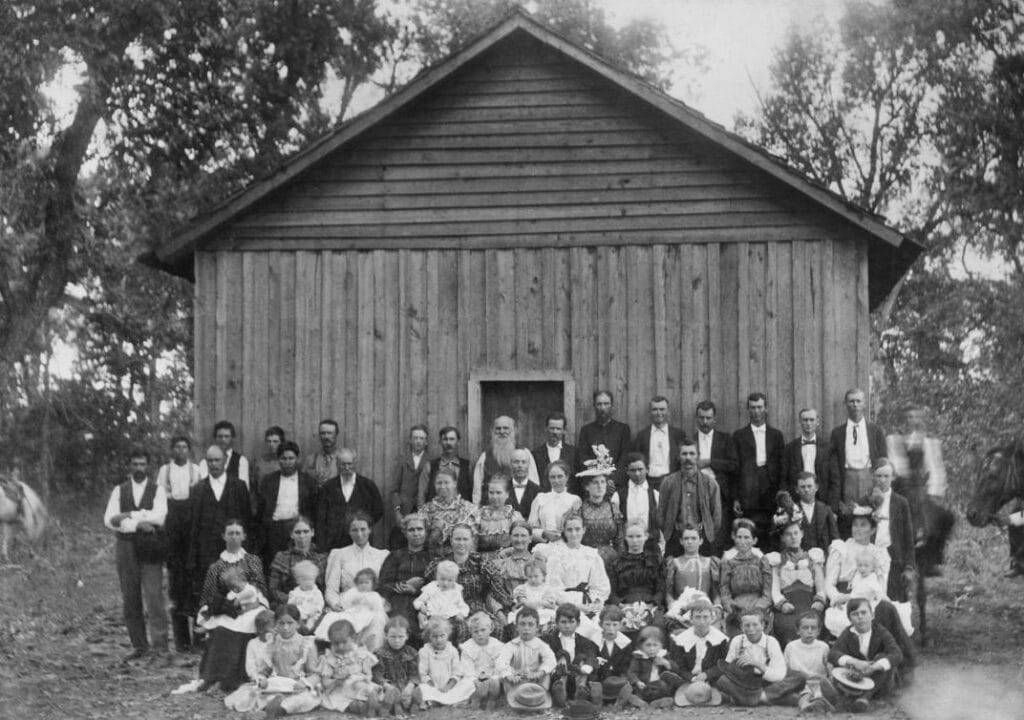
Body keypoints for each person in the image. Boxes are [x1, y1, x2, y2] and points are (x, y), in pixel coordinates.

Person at [824, 508, 917, 674]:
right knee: (886, 610)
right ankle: (900, 661)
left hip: (871, 598)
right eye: (855, 525)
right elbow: (829, 584)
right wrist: (837, 597)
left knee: (887, 609)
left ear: (873, 529)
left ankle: (891, 664)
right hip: (846, 600)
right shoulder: (841, 548)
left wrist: (877, 600)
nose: (857, 529)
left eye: (863, 525)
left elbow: (880, 587)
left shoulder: (879, 553)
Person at [104, 447, 170, 661]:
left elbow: (159, 517)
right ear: (129, 466)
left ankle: (160, 646)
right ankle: (139, 645)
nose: (139, 468)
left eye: (143, 464)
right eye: (135, 464)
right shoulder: (119, 490)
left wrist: (129, 516)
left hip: (150, 546)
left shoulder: (157, 489)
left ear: (148, 466)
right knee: (130, 597)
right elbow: (110, 520)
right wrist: (139, 523)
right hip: (126, 547)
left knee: (154, 596)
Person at [192, 519, 268, 693]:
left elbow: (260, 587)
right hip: (226, 606)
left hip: (252, 604)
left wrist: (251, 602)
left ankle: (239, 677)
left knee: (249, 622)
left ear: (244, 536)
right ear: (223, 537)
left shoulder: (252, 560)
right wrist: (222, 606)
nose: (234, 537)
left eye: (237, 533)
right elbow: (208, 594)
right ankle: (213, 676)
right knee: (222, 626)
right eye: (230, 533)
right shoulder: (216, 566)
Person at [223, 604, 319, 717]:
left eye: (290, 623)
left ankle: (279, 708)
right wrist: (262, 679)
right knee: (249, 694)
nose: (285, 627)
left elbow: (315, 674)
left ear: (298, 623)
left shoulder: (306, 644)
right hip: (276, 684)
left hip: (296, 687)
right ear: (276, 624)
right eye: (281, 623)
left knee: (305, 699)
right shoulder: (272, 642)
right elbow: (266, 669)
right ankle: (274, 704)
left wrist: (304, 683)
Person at [189, 445, 253, 610]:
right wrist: (194, 557)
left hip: (233, 550)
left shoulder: (238, 486)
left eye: (217, 460)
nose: (213, 464)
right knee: (208, 598)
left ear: (225, 461)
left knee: (235, 595)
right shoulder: (198, 489)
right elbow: (194, 526)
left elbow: (247, 520)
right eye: (210, 460)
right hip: (206, 553)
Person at [425, 524, 509, 641]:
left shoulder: (482, 563)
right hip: (448, 609)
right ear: (451, 541)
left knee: (495, 627)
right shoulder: (439, 564)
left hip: (477, 608)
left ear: (472, 541)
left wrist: (510, 605)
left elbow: (498, 589)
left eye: (465, 539)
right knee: (461, 629)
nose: (461, 543)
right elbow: (428, 589)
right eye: (457, 539)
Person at [156, 435, 200, 653]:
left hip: (191, 524)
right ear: (172, 450)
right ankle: (182, 641)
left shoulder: (197, 469)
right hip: (173, 524)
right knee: (176, 582)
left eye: (184, 447)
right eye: (177, 447)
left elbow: (199, 496)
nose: (181, 451)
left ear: (189, 450)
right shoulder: (165, 470)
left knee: (194, 581)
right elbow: (160, 497)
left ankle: (199, 639)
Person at [714, 607, 804, 706]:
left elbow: (779, 674)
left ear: (763, 625)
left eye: (755, 625)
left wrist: (758, 665)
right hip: (745, 682)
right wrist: (736, 668)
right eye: (747, 625)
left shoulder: (771, 642)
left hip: (768, 681)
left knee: (799, 676)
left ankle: (759, 697)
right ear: (742, 627)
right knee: (722, 680)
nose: (751, 629)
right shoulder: (737, 641)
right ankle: (771, 698)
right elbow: (729, 670)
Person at [541, 514, 611, 640]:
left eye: (577, 529)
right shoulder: (556, 556)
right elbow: (553, 587)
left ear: (584, 530)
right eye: (569, 530)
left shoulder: (591, 554)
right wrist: (576, 606)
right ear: (564, 531)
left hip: (588, 601)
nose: (574, 534)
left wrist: (595, 602)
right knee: (581, 626)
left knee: (603, 626)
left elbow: (600, 584)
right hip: (564, 603)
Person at [732, 393, 785, 548]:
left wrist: (781, 493)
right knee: (750, 527)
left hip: (770, 487)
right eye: (753, 408)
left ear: (766, 409)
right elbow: (735, 468)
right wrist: (736, 497)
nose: (756, 411)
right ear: (748, 410)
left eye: (759, 407)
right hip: (748, 488)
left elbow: (782, 466)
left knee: (772, 528)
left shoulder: (776, 435)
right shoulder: (739, 435)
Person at [830, 389, 886, 535]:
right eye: (851, 401)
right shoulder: (837, 433)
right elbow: (834, 466)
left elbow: (883, 461)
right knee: (848, 520)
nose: (855, 405)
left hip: (868, 478)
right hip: (848, 479)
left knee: (869, 520)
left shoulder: (875, 430)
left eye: (858, 401)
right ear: (846, 405)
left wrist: (879, 489)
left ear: (864, 404)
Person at [827, 598, 903, 707]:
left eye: (863, 612)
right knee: (838, 664)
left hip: (879, 679)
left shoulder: (881, 632)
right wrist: (854, 662)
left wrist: (875, 666)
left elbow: (897, 654)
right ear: (849, 619)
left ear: (872, 615)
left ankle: (864, 697)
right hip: (857, 676)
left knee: (882, 657)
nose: (860, 617)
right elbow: (833, 653)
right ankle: (839, 696)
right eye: (855, 614)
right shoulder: (848, 633)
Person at [256, 441, 317, 576]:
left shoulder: (308, 481)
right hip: (275, 530)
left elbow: (313, 510)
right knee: (274, 568)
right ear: (278, 460)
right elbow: (261, 509)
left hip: (298, 529)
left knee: (298, 567)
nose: (287, 462)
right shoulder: (268, 480)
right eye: (284, 459)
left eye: (291, 458)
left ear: (297, 459)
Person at [765, 521, 826, 646]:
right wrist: (782, 604)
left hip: (809, 603)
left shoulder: (812, 558)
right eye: (788, 534)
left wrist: (819, 601)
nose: (793, 537)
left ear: (802, 534)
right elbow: (775, 590)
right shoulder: (777, 561)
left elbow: (821, 587)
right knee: (785, 625)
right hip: (788, 605)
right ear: (782, 538)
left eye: (796, 533)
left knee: (814, 622)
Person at [659, 440, 722, 556]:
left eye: (692, 453)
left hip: (702, 541)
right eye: (684, 454)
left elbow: (716, 517)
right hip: (675, 539)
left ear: (698, 456)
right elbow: (661, 513)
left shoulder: (710, 483)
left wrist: (706, 533)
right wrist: (671, 531)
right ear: (678, 457)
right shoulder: (668, 483)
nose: (688, 457)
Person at [866, 460, 917, 603]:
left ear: (893, 477)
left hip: (894, 558)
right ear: (872, 476)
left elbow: (908, 537)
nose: (882, 480)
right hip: (869, 558)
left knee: (894, 603)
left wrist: (909, 566)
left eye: (886, 476)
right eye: (879, 476)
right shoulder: (866, 500)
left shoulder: (901, 503)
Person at [315, 448, 384, 551]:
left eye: (349, 464)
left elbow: (378, 510)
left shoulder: (368, 486)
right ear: (337, 464)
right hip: (335, 542)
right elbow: (321, 516)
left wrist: (362, 525)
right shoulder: (328, 487)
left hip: (361, 540)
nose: (346, 468)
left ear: (355, 463)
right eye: (343, 464)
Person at [693, 400, 738, 552]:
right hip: (696, 493)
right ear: (696, 418)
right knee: (698, 534)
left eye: (708, 418)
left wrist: (710, 462)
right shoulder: (689, 440)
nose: (705, 422)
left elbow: (733, 465)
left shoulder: (725, 439)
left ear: (714, 419)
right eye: (701, 418)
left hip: (720, 494)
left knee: (719, 535)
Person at [378, 514, 431, 642]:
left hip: (426, 602)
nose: (416, 533)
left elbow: (437, 584)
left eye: (419, 529)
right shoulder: (395, 556)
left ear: (426, 531)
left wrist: (415, 591)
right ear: (405, 533)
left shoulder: (432, 558)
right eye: (411, 530)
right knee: (400, 624)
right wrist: (405, 584)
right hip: (398, 601)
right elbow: (383, 584)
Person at [314, 619, 383, 715]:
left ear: (353, 638)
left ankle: (378, 705)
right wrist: (337, 679)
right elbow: (325, 682)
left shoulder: (360, 654)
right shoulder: (330, 659)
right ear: (331, 642)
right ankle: (362, 707)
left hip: (359, 685)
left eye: (344, 642)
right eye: (336, 643)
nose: (341, 646)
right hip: (340, 688)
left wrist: (364, 677)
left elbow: (368, 673)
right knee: (345, 702)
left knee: (369, 690)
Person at [324, 512, 389, 609]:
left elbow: (386, 587)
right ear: (349, 532)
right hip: (346, 605)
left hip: (373, 606)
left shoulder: (382, 555)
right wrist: (336, 604)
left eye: (363, 529)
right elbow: (331, 589)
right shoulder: (339, 554)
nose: (359, 534)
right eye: (354, 530)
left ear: (370, 530)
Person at [719, 519, 772, 637]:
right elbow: (724, 591)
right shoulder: (728, 563)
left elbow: (767, 591)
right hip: (737, 607)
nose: (742, 541)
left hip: (759, 605)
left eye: (746, 537)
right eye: (739, 537)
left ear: (754, 540)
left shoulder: (762, 562)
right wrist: (732, 606)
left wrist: (759, 606)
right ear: (734, 538)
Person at [668, 597, 728, 700]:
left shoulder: (721, 640)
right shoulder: (680, 640)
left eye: (705, 617)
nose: (702, 621)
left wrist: (707, 674)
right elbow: (679, 667)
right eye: (697, 617)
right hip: (688, 678)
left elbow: (724, 664)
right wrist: (692, 678)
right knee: (670, 678)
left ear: (712, 618)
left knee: (725, 680)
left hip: (712, 679)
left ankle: (716, 693)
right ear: (691, 619)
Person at [608, 523, 665, 629]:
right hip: (625, 604)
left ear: (646, 537)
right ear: (625, 537)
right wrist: (623, 606)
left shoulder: (655, 561)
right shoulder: (617, 563)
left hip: (650, 604)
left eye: (638, 536)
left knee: (658, 624)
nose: (634, 541)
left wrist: (650, 606)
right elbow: (612, 592)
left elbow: (660, 589)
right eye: (631, 537)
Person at [472, 415, 540, 504]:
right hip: (491, 511)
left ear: (513, 431)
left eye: (506, 428)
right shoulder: (485, 456)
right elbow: (477, 490)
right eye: (498, 428)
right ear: (493, 432)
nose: (502, 431)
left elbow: (534, 483)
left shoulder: (524, 453)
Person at [317, 567, 388, 651]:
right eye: (361, 583)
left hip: (367, 613)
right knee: (333, 616)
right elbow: (345, 603)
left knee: (372, 621)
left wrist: (367, 602)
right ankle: (330, 640)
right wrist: (350, 603)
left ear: (373, 584)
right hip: (353, 612)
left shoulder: (374, 595)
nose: (363, 585)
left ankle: (363, 644)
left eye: (367, 583)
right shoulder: (353, 592)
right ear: (357, 583)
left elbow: (377, 607)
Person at [543, 603, 599, 707]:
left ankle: (581, 690)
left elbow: (591, 656)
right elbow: (546, 657)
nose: (567, 626)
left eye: (571, 622)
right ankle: (560, 690)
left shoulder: (584, 641)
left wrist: (586, 666)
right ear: (557, 623)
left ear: (578, 623)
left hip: (577, 675)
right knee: (562, 655)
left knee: (582, 657)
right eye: (563, 622)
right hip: (559, 675)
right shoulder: (551, 640)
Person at [781, 409, 839, 507]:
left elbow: (835, 481)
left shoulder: (828, 448)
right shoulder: (790, 448)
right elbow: (783, 480)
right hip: (797, 500)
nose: (808, 423)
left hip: (822, 499)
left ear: (817, 422)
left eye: (812, 420)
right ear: (800, 422)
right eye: (805, 420)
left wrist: (832, 508)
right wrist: (789, 505)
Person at [266, 516, 325, 608]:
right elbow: (273, 589)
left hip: (316, 604)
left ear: (312, 532)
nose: (302, 536)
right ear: (291, 534)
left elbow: (325, 588)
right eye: (297, 532)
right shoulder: (282, 557)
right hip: (289, 605)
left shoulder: (321, 559)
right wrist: (293, 600)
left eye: (306, 531)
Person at [632, 396, 687, 491]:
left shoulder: (679, 435)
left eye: (662, 409)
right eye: (655, 409)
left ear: (668, 411)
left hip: (672, 483)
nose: (659, 413)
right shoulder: (642, 435)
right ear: (650, 412)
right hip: (648, 484)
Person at [497, 606, 558, 693]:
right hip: (516, 680)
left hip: (534, 679)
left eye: (530, 624)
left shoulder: (541, 645)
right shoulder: (510, 645)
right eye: (522, 624)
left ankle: (541, 695)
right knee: (505, 678)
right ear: (516, 627)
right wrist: (509, 675)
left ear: (537, 627)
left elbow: (551, 660)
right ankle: (514, 697)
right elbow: (501, 662)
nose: (526, 628)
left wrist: (540, 672)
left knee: (546, 675)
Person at [390, 424, 431, 549]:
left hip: (423, 510)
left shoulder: (431, 460)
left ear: (426, 442)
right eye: (415, 438)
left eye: (421, 438)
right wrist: (397, 512)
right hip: (405, 511)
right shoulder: (403, 461)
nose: (418, 441)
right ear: (410, 440)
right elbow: (394, 490)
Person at [419, 470, 479, 556]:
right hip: (434, 559)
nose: (442, 486)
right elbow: (420, 541)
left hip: (463, 559)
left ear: (454, 484)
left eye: (446, 482)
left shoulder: (468, 508)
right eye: (439, 483)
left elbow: (474, 541)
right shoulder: (426, 510)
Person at [418, 617, 476, 706]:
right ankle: (440, 700)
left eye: (442, 636)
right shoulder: (425, 651)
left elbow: (456, 672)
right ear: (429, 637)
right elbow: (422, 673)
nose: (439, 640)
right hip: (432, 687)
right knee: (421, 688)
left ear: (447, 635)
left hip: (450, 687)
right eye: (435, 636)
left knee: (469, 683)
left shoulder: (452, 651)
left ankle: (439, 701)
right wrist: (433, 686)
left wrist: (448, 687)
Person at [576, 390, 632, 482]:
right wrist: (597, 477)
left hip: (616, 482)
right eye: (599, 404)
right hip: (593, 481)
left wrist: (613, 479)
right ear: (594, 406)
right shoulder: (586, 430)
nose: (603, 408)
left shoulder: (623, 429)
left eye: (606, 404)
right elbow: (583, 457)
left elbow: (624, 458)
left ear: (612, 406)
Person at [784, 611, 834, 713]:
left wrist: (829, 675)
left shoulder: (823, 647)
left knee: (819, 693)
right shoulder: (791, 647)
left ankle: (819, 704)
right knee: (803, 694)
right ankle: (805, 706)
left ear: (819, 631)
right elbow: (786, 669)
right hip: (799, 683)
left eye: (813, 628)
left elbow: (828, 668)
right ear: (798, 630)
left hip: (818, 682)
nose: (809, 631)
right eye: (805, 628)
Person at [373, 616, 423, 715]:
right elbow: (377, 675)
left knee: (419, 690)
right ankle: (396, 706)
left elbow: (415, 673)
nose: (397, 641)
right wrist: (387, 686)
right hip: (389, 687)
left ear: (407, 636)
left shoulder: (411, 653)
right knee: (385, 696)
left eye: (400, 637)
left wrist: (410, 685)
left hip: (405, 686)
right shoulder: (380, 653)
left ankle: (414, 703)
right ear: (386, 635)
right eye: (393, 637)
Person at [664, 526, 719, 616]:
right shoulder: (674, 563)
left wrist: (717, 606)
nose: (689, 542)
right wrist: (672, 605)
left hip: (705, 609)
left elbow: (715, 591)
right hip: (681, 609)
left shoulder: (710, 562)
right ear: (681, 541)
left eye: (694, 538)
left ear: (701, 541)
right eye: (686, 539)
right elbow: (668, 591)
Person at [625, 625, 683, 708]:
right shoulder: (639, 657)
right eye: (648, 645)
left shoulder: (663, 655)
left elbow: (676, 669)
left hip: (659, 686)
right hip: (644, 685)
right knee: (636, 690)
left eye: (655, 645)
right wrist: (637, 681)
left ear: (661, 645)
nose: (652, 649)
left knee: (664, 686)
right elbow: (631, 672)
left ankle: (658, 702)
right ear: (641, 646)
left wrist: (666, 663)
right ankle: (638, 700)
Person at [530, 459, 583, 548]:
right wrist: (544, 533)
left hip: (568, 547)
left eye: (560, 476)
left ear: (567, 477)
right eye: (552, 477)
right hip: (544, 547)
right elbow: (530, 529)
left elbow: (578, 529)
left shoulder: (574, 500)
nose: (556, 480)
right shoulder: (540, 499)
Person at [491, 521, 540, 615]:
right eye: (516, 535)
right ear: (510, 538)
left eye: (523, 536)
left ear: (530, 538)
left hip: (536, 608)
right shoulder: (501, 564)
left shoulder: (538, 563)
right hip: (508, 609)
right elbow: (494, 594)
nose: (519, 539)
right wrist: (500, 613)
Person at [588, 605, 634, 707]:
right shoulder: (595, 641)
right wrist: (596, 661)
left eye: (615, 624)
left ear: (621, 625)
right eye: (607, 624)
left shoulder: (625, 643)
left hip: (616, 679)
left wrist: (622, 677)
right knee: (593, 684)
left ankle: (620, 701)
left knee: (625, 684)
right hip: (599, 678)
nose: (611, 629)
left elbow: (626, 665)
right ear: (600, 624)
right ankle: (597, 700)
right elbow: (590, 658)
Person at [459, 612, 505, 709]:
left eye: (483, 630)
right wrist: (476, 679)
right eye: (476, 632)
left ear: (490, 629)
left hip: (491, 676)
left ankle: (492, 699)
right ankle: (477, 697)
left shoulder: (496, 645)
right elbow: (467, 669)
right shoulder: (468, 647)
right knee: (467, 682)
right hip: (475, 677)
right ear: (471, 633)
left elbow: (499, 664)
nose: (480, 634)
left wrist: (492, 676)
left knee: (497, 679)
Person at [578, 470, 623, 567]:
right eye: (595, 482)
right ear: (587, 486)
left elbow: (619, 540)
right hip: (586, 559)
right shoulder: (580, 509)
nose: (600, 486)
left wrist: (621, 563)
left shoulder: (613, 508)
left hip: (611, 559)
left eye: (603, 482)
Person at [476, 475, 525, 558]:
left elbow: (522, 545)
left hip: (508, 562)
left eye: (498, 493)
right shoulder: (478, 516)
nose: (494, 497)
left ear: (507, 494)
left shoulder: (514, 517)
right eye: (491, 492)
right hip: (482, 561)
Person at [792, 472, 839, 552]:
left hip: (823, 558)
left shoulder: (826, 510)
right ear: (797, 490)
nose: (806, 490)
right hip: (799, 559)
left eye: (809, 486)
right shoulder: (792, 510)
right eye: (802, 487)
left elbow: (835, 539)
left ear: (816, 487)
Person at [414, 560, 471, 626]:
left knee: (458, 626)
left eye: (450, 580)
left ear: (455, 579)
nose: (445, 583)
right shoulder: (431, 588)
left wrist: (461, 614)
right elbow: (418, 601)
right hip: (433, 617)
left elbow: (463, 605)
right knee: (430, 627)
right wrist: (421, 606)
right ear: (437, 576)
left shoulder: (456, 590)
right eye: (442, 579)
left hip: (451, 618)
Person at [620, 453, 660, 545]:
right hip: (627, 546)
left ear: (647, 469)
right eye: (633, 470)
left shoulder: (655, 495)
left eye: (640, 469)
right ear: (627, 471)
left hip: (650, 546)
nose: (637, 474)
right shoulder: (619, 496)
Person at [509, 560, 563, 627]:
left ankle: (545, 630)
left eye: (536, 576)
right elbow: (522, 600)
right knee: (520, 616)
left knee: (550, 616)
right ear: (526, 576)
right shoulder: (522, 588)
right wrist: (528, 603)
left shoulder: (547, 589)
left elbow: (551, 604)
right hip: (526, 611)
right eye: (530, 577)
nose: (533, 579)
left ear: (543, 576)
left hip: (543, 611)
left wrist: (540, 603)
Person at [532, 412, 578, 492]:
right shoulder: (535, 454)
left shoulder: (573, 452)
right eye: (552, 428)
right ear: (546, 429)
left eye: (558, 429)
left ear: (564, 431)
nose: (555, 432)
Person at [426, 426, 471, 504]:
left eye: (452, 439)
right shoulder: (430, 465)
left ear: (458, 442)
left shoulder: (468, 466)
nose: (448, 443)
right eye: (445, 439)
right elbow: (421, 494)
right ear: (440, 442)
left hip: (461, 512)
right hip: (435, 511)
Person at [303, 419, 344, 487]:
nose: (326, 437)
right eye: (323, 433)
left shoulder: (344, 459)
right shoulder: (310, 459)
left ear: (336, 434)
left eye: (330, 433)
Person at [286, 560, 325, 633]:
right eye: (304, 580)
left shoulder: (316, 592)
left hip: (312, 614)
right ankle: (300, 629)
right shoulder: (295, 593)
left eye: (311, 579)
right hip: (299, 615)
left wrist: (317, 609)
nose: (308, 582)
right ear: (298, 581)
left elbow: (320, 603)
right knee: (293, 619)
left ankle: (309, 629)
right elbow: (290, 605)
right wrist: (294, 601)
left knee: (313, 620)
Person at [508, 450, 543, 521]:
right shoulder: (503, 488)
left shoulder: (538, 491)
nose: (520, 465)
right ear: (511, 464)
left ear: (529, 464)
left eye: (523, 462)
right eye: (516, 462)